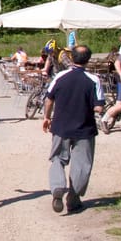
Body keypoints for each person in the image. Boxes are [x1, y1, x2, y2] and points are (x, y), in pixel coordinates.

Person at [41, 44, 104, 214]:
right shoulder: (94, 80)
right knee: (82, 164)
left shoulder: (60, 76)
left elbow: (49, 99)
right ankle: (73, 199)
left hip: (60, 126)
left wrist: (47, 117)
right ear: (88, 59)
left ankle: (57, 188)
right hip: (84, 128)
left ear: (71, 57)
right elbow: (98, 108)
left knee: (57, 159)